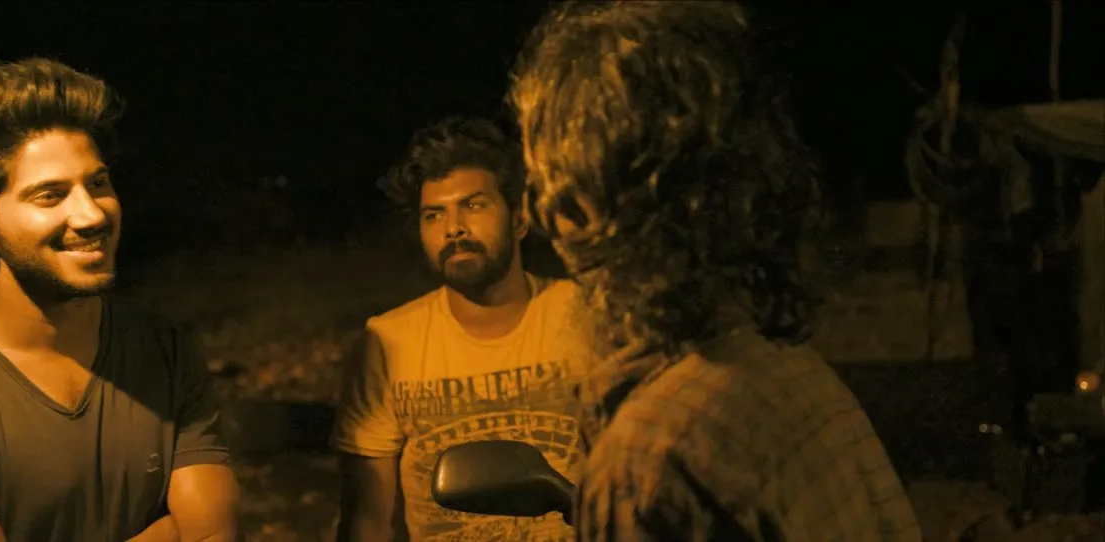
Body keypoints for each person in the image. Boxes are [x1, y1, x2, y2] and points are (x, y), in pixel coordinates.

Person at [509, 2, 923, 540]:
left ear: (580, 210)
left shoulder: (648, 461)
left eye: (545, 183)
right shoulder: (793, 373)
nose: (539, 214)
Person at [0, 58, 241, 542]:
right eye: (50, 195)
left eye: (97, 183)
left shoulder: (161, 349)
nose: (90, 214)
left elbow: (212, 534)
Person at [331, 116, 585, 541]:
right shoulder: (389, 342)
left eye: (473, 205)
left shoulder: (585, 315)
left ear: (519, 220)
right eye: (434, 215)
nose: (453, 228)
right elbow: (367, 519)